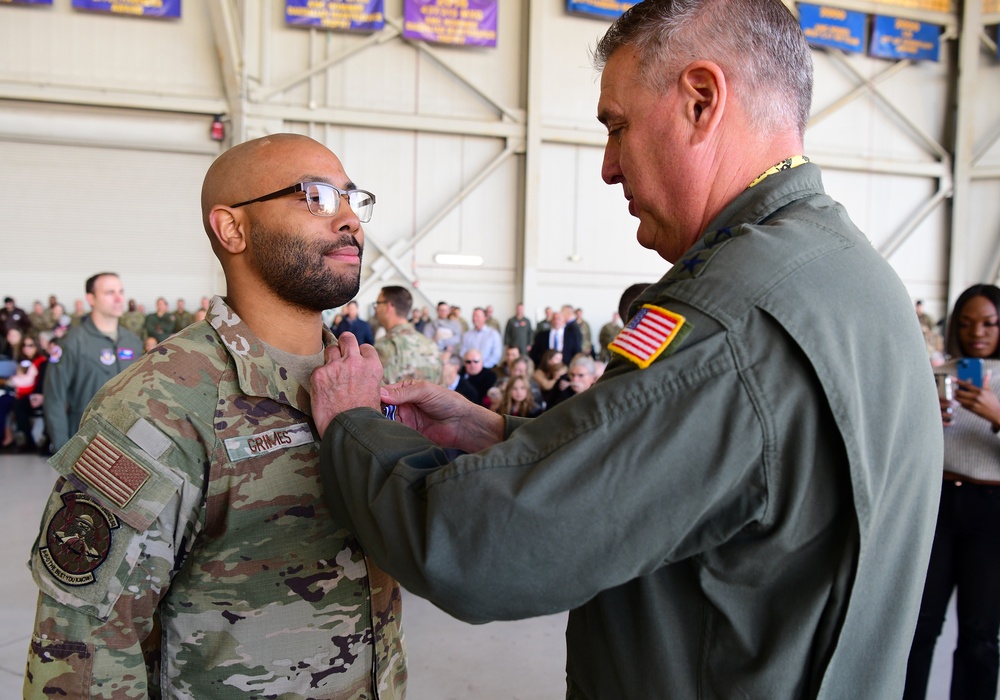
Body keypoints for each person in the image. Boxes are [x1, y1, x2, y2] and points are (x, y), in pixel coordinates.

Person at [309, 1, 942, 697]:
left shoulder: (729, 315)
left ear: (701, 101)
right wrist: (503, 437)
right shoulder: (844, 272)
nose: (609, 168)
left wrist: (354, 429)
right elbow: (724, 481)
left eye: (618, 127)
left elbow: (482, 548)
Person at [25, 134, 405, 698]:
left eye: (352, 199)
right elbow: (85, 651)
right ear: (233, 229)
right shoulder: (159, 403)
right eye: (317, 197)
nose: (350, 219)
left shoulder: (362, 379)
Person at [904, 284, 1000, 699]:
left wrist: (996, 415)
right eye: (966, 323)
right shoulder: (939, 373)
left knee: (980, 633)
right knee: (919, 626)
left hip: (992, 510)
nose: (976, 332)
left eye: (988, 323)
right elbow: (911, 447)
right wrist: (924, 417)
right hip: (938, 504)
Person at [42, 273, 143, 452]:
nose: (119, 298)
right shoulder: (72, 342)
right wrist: (63, 451)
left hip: (129, 446)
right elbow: (54, 398)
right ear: (91, 298)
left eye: (121, 291)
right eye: (110, 293)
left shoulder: (133, 342)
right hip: (85, 444)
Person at [374, 284, 443, 385]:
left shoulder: (384, 346)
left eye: (378, 304)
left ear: (388, 307)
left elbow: (375, 391)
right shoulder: (431, 345)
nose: (376, 309)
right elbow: (441, 389)